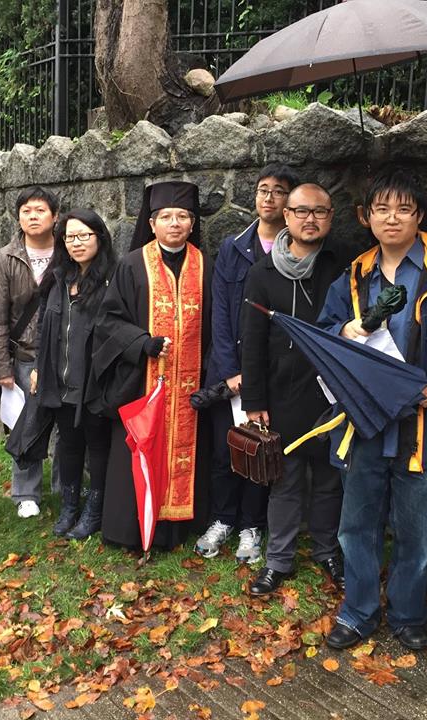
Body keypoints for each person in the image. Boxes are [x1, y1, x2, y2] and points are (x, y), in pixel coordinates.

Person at [317, 167, 427, 650]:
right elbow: (324, 337)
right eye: (382, 209)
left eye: (404, 209)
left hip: (423, 426)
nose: (393, 218)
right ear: (365, 216)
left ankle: (409, 614)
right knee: (357, 526)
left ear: (421, 217)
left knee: (416, 532)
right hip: (364, 422)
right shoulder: (352, 277)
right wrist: (344, 331)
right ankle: (359, 611)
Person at [91, 181, 211, 551]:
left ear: (192, 224)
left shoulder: (207, 265)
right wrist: (143, 343)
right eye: (166, 217)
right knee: (141, 448)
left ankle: (179, 528)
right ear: (152, 222)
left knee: (186, 451)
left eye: (183, 217)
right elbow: (108, 321)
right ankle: (129, 530)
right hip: (142, 382)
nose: (174, 223)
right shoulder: (131, 265)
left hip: (191, 385)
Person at [241, 182, 346, 596]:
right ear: (286, 216)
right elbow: (251, 341)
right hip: (280, 393)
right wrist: (254, 401)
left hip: (330, 392)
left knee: (328, 479)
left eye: (319, 212)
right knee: (284, 482)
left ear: (330, 217)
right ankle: (279, 560)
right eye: (301, 211)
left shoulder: (341, 267)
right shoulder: (262, 273)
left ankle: (328, 551)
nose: (310, 219)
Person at [194, 162, 298, 563]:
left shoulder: (295, 252)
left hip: (269, 375)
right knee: (226, 451)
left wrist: (256, 379)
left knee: (260, 452)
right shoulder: (233, 248)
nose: (268, 197)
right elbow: (220, 313)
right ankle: (223, 518)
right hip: (230, 370)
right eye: (262, 189)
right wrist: (230, 371)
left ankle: (252, 526)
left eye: (278, 190)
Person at [28, 209, 115, 539]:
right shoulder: (58, 280)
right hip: (61, 382)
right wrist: (38, 366)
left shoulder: (112, 279)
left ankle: (95, 509)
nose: (77, 243)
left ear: (99, 237)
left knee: (97, 445)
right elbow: (44, 329)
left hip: (94, 382)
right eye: (70, 237)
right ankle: (69, 506)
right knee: (68, 444)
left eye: (84, 236)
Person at [0, 186, 59, 519]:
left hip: (63, 352)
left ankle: (64, 485)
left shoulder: (68, 251)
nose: (33, 216)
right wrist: (2, 367)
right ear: (18, 217)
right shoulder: (5, 258)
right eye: (27, 210)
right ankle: (26, 491)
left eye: (40, 210)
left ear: (54, 216)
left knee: (65, 425)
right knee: (24, 424)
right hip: (24, 354)